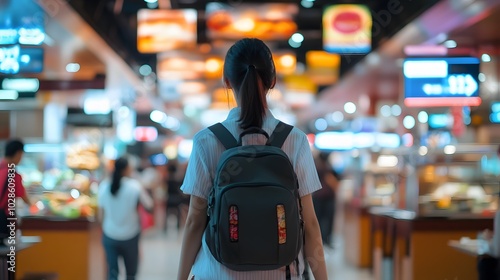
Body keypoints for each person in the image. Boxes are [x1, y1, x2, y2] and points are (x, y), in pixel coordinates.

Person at [177, 38, 328, 280]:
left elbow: (195, 220)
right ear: (273, 81)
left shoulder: (206, 141)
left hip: (217, 274)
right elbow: (310, 224)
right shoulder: (296, 140)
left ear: (227, 82)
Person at [98, 157, 153, 280]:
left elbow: (100, 215)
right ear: (127, 169)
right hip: (131, 235)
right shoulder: (135, 186)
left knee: (112, 273)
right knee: (130, 274)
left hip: (110, 234)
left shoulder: (104, 186)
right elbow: (149, 206)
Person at [0, 139, 31, 244]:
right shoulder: (13, 174)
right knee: (7, 255)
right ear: (18, 153)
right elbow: (22, 195)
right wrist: (32, 205)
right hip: (3, 221)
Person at [312, 152, 340, 248]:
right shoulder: (328, 169)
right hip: (326, 198)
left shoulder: (317, 168)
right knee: (327, 220)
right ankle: (326, 240)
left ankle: (321, 240)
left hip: (319, 198)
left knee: (319, 220)